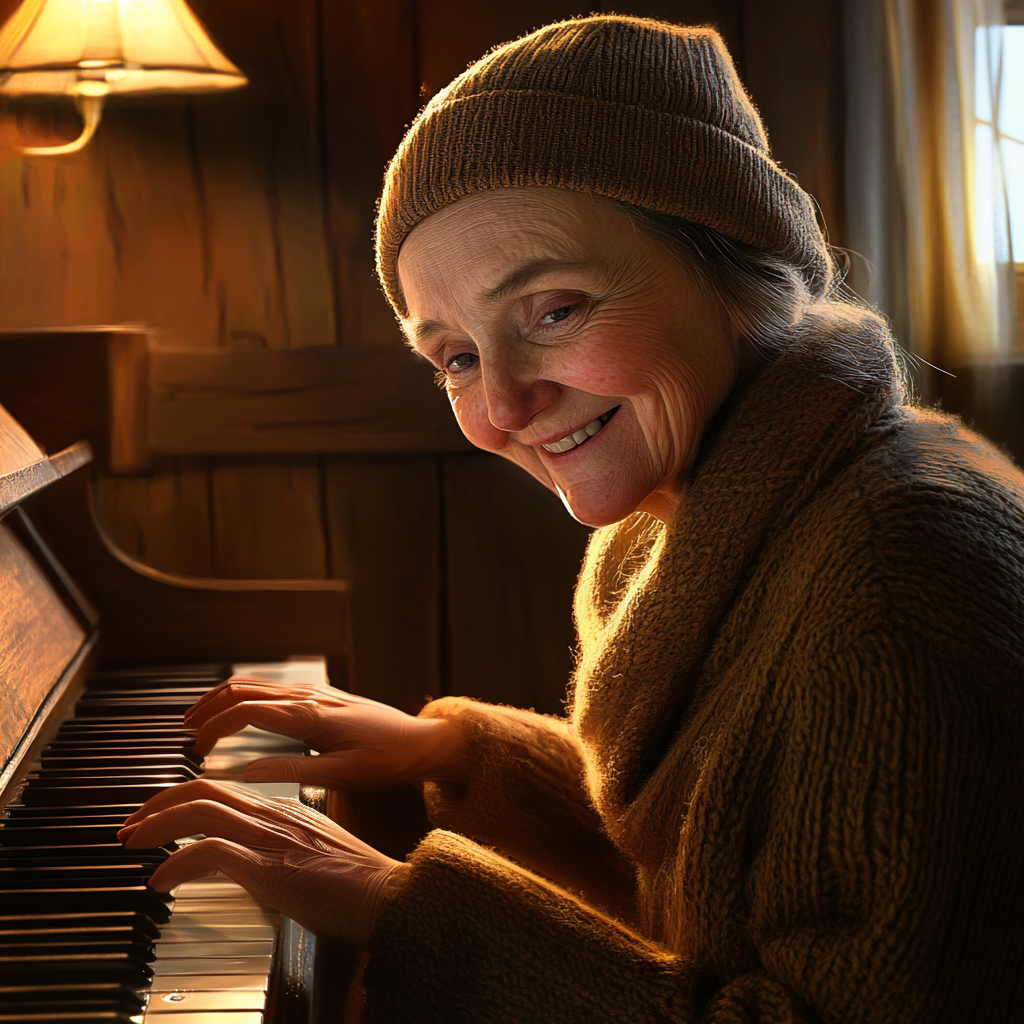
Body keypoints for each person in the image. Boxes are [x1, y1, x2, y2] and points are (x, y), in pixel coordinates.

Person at [119, 15, 1024, 1022]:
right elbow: (716, 871)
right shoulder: (671, 520)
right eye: (455, 356)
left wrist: (404, 907)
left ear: (733, 263)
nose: (501, 406)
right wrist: (460, 757)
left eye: (551, 308)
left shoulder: (902, 577)